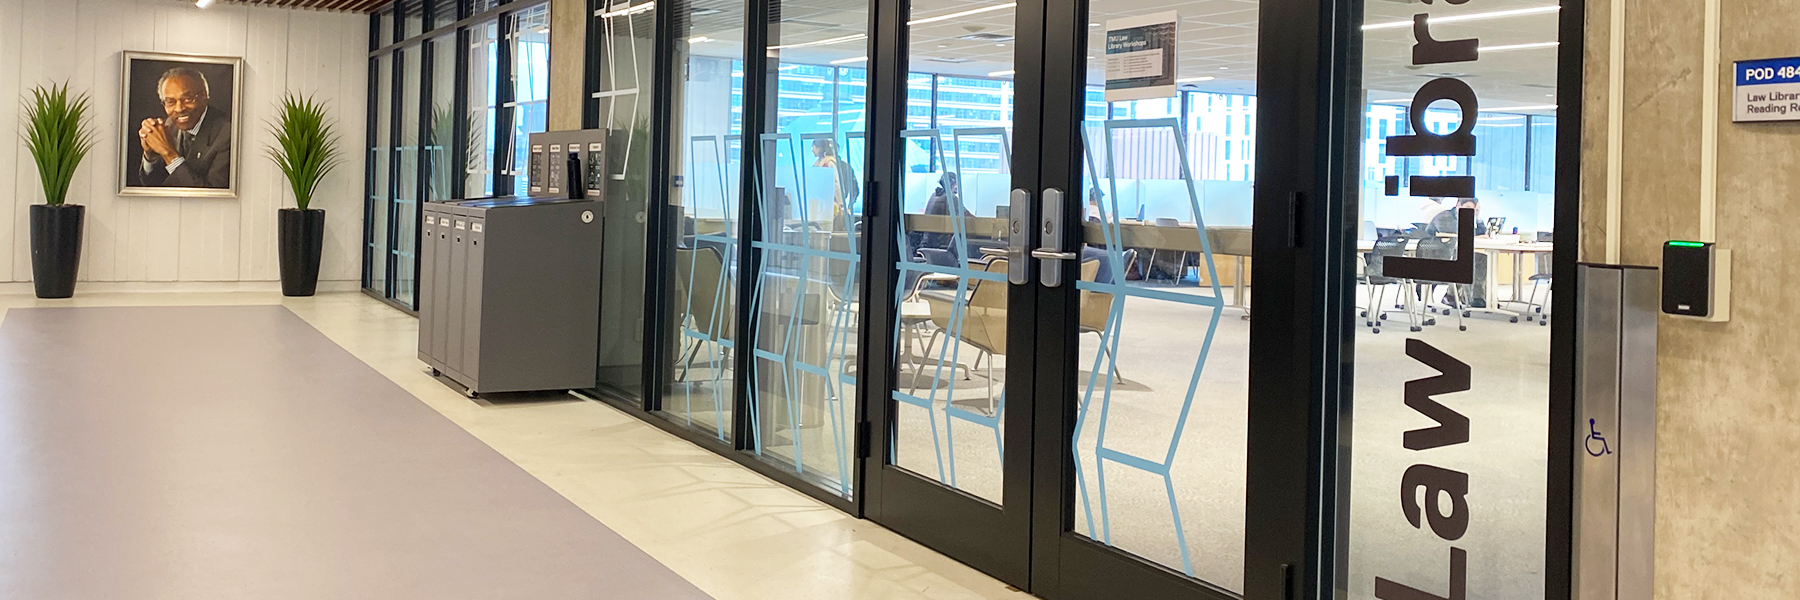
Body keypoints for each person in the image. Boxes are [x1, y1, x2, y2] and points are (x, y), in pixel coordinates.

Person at [133, 67, 231, 189]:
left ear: (204, 96)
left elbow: (212, 196)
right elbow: (154, 185)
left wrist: (169, 154)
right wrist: (151, 156)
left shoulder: (229, 133)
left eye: (188, 99)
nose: (179, 109)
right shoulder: (169, 125)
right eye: (170, 102)